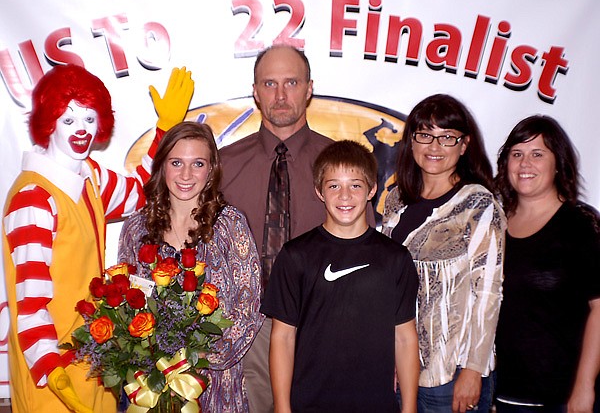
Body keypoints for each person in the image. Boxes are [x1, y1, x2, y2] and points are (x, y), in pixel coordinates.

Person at [2, 64, 193, 413]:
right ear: (49, 122)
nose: (81, 130)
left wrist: (164, 130)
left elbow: (139, 191)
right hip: (49, 373)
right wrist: (51, 371)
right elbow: (31, 304)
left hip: (93, 360)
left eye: (89, 119)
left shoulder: (87, 176)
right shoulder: (34, 197)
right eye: (69, 119)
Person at [260, 140, 419, 412]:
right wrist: (282, 407)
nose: (344, 196)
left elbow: (404, 338)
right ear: (319, 191)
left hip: (376, 404)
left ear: (371, 190)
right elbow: (282, 337)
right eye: (334, 185)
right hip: (309, 403)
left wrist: (410, 407)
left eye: (355, 185)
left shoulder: (395, 258)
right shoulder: (295, 255)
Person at [218, 45, 335, 412]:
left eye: (291, 82)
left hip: (324, 327)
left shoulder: (341, 163)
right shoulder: (223, 166)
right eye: (269, 83)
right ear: (255, 90)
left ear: (309, 88)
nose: (281, 95)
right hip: (245, 335)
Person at [118, 121, 264, 412]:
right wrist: (156, 365)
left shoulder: (230, 226)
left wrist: (193, 363)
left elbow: (249, 309)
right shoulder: (136, 228)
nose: (186, 175)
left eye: (197, 163)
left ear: (211, 169)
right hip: (151, 385)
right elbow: (126, 306)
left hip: (217, 385)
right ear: (161, 167)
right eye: (176, 162)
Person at [381, 94, 505, 413]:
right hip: (402, 364)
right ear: (411, 141)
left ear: (463, 145)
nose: (434, 146)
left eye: (447, 137)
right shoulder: (396, 200)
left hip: (453, 372)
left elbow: (488, 292)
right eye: (425, 135)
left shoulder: (478, 204)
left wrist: (473, 371)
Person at [493, 115, 600, 412]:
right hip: (502, 395)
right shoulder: (494, 224)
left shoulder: (580, 223)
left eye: (537, 154)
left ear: (558, 163)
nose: (525, 164)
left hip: (562, 398)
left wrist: (584, 386)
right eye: (517, 154)